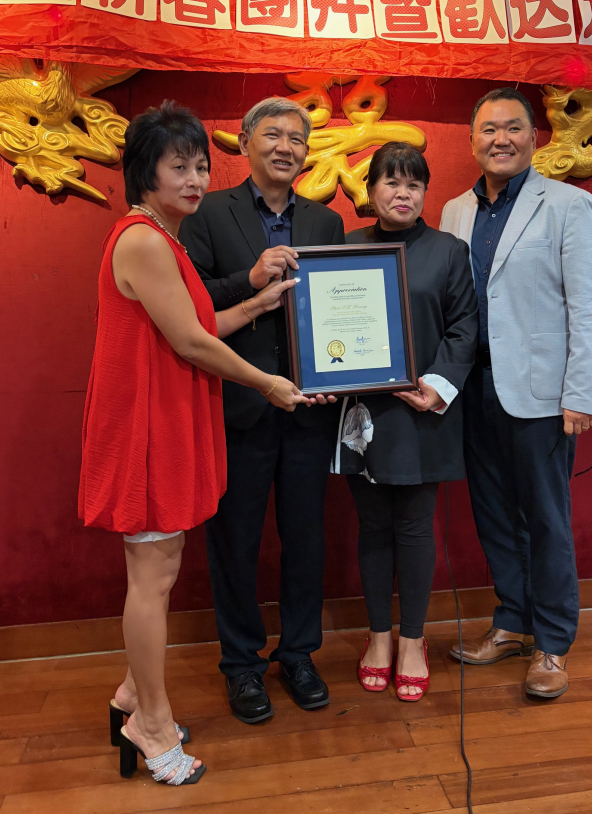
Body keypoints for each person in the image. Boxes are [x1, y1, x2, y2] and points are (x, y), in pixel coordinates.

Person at [79, 102, 311, 786]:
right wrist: (266, 382)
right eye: (178, 166)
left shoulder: (164, 237)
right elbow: (190, 342)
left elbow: (198, 322)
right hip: (147, 425)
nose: (195, 179)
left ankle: (132, 696)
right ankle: (151, 724)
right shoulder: (145, 240)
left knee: (162, 567)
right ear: (143, 173)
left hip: (166, 415)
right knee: (151, 578)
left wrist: (256, 304)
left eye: (201, 166)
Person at [440, 88, 592, 699]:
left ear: (533, 138)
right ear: (472, 141)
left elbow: (590, 306)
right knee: (492, 513)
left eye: (513, 128)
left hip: (542, 393)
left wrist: (581, 393)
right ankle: (512, 621)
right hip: (473, 388)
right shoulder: (455, 211)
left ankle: (553, 642)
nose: (501, 139)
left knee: (544, 517)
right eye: (489, 129)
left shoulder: (569, 204)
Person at [180, 97, 344, 724]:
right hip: (237, 406)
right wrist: (247, 280)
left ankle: (299, 654)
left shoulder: (327, 221)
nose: (285, 147)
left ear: (307, 152)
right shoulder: (207, 212)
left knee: (306, 540)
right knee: (235, 542)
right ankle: (241, 664)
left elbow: (339, 308)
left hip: (308, 408)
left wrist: (338, 375)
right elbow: (189, 302)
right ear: (245, 141)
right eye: (272, 134)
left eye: (297, 138)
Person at [340, 142, 477, 702]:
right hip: (362, 413)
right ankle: (379, 637)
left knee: (416, 528)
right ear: (370, 190)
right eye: (391, 182)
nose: (403, 193)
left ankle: (414, 640)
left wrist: (438, 386)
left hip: (422, 408)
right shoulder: (345, 248)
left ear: (425, 193)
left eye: (414, 184)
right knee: (372, 527)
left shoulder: (448, 251)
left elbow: (464, 327)